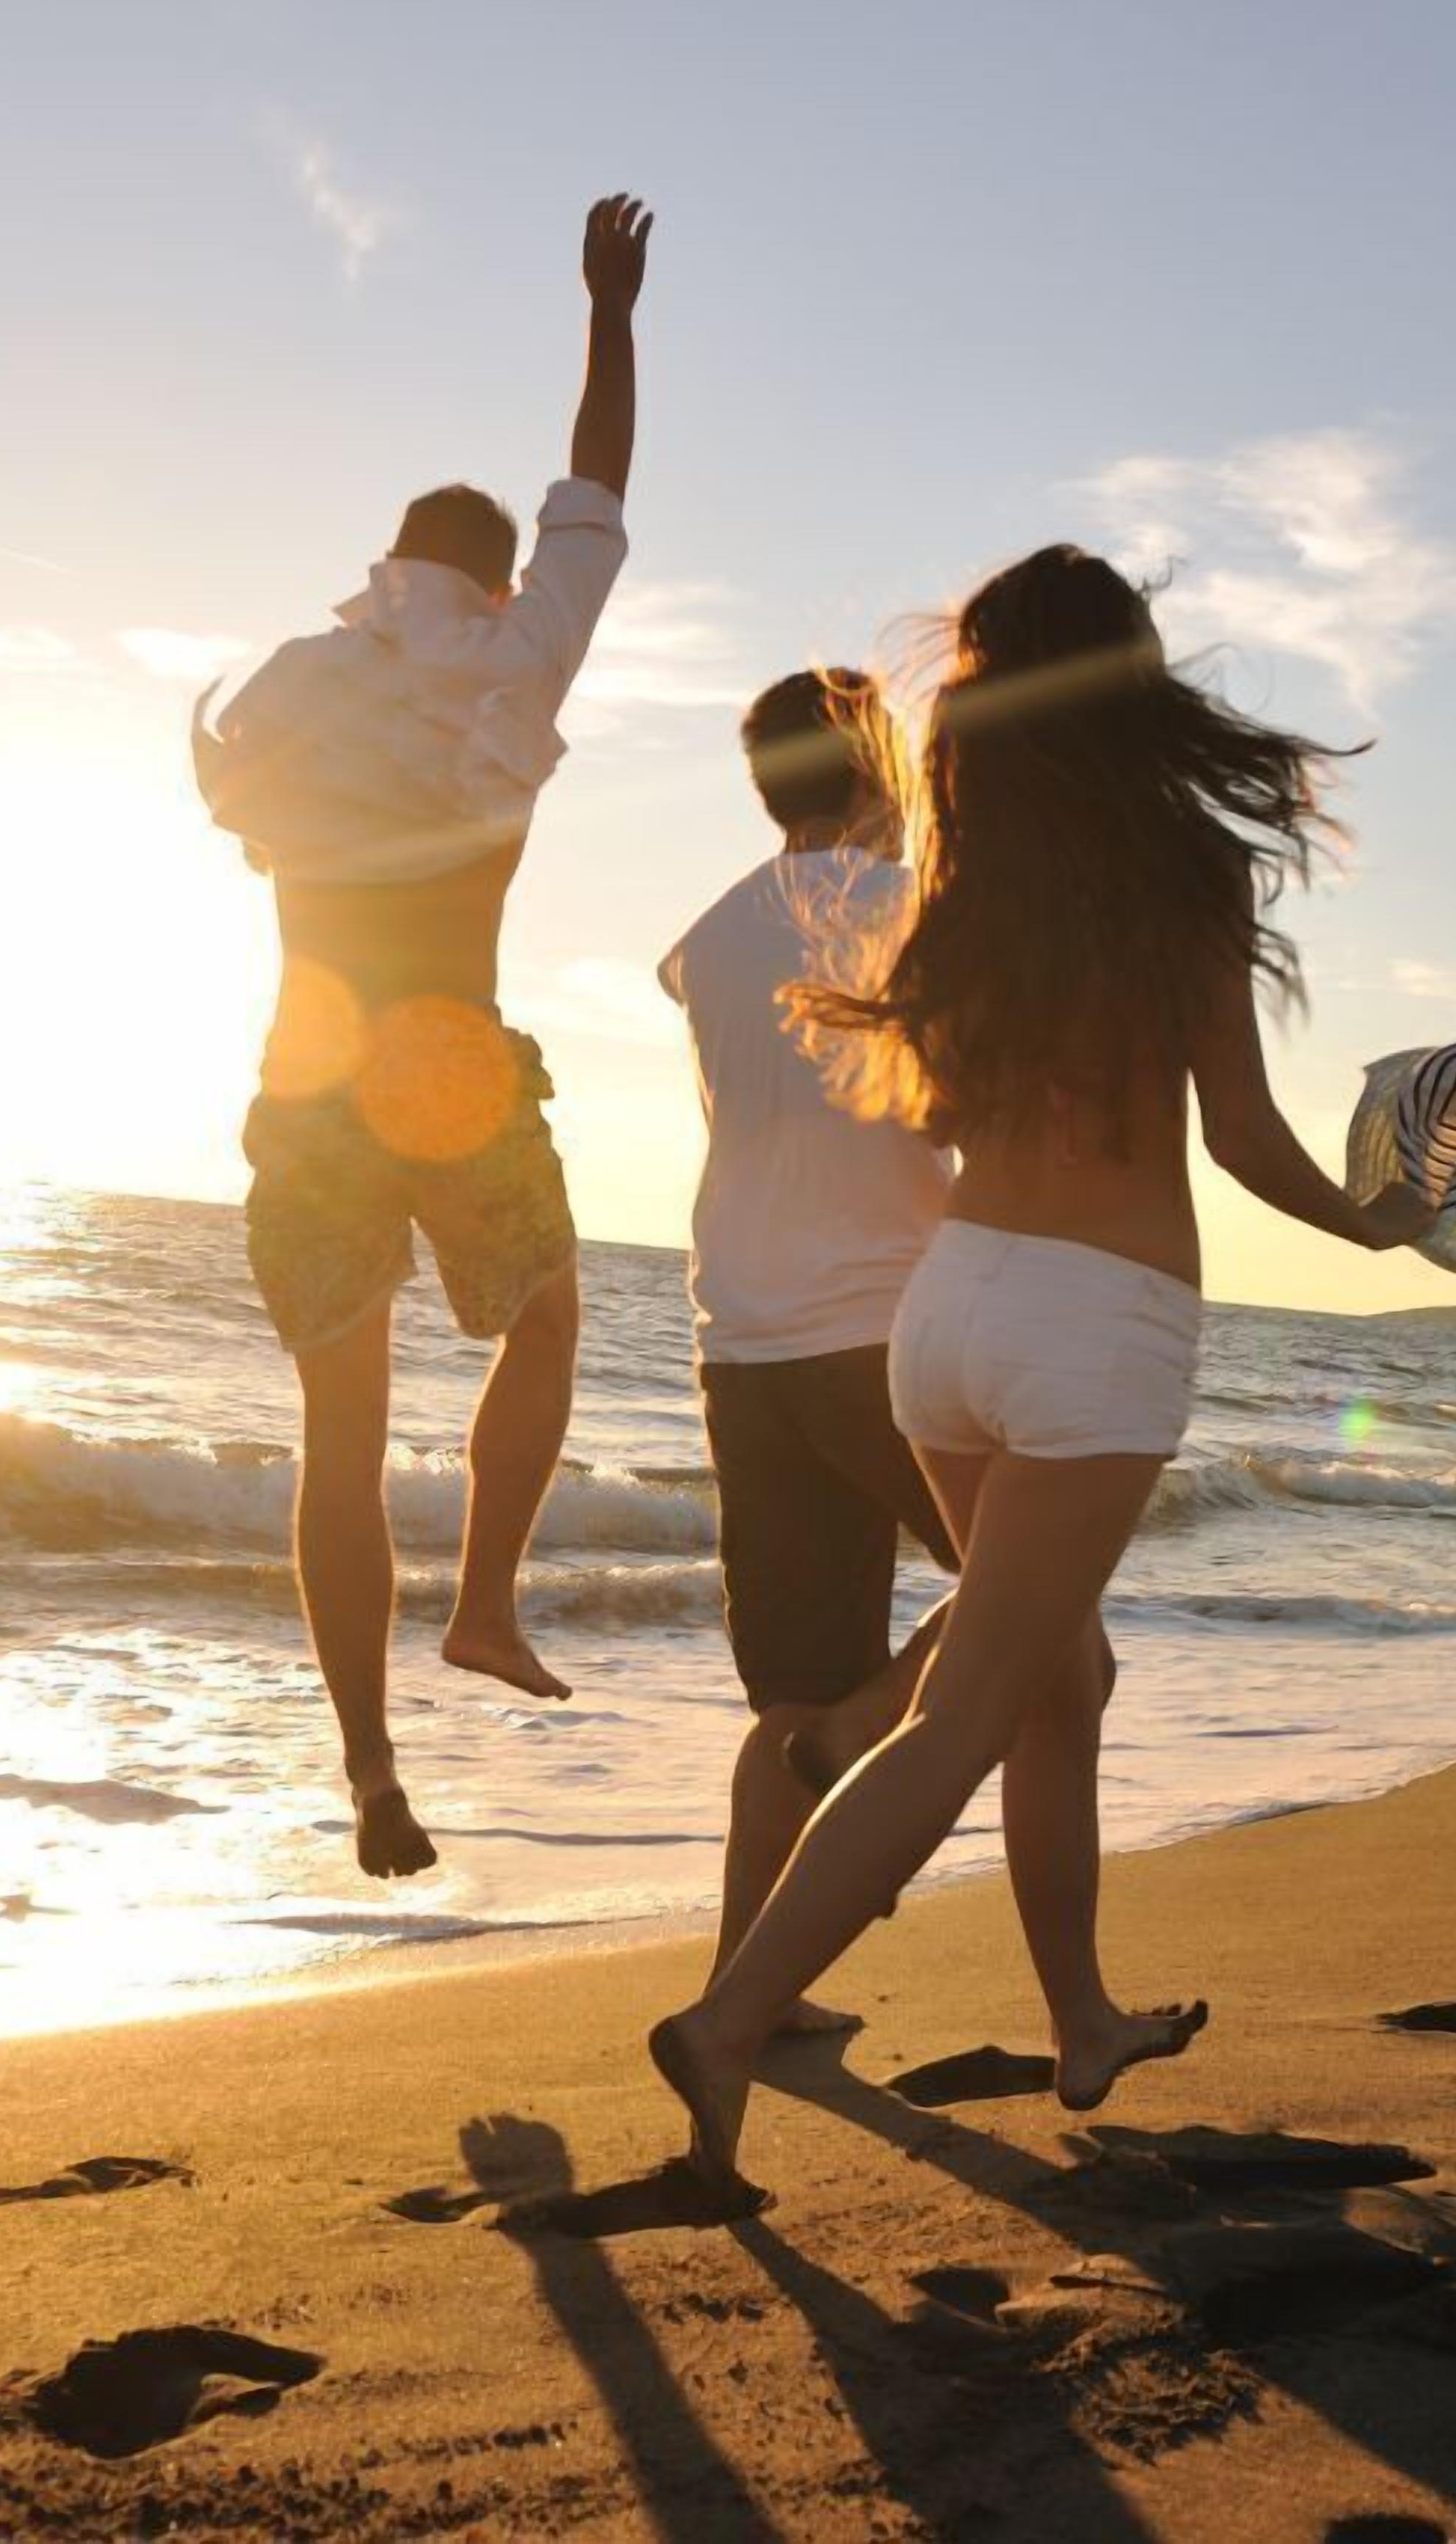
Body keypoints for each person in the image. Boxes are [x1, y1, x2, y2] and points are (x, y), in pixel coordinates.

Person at [648, 546, 1436, 2201]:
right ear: (1133, 679)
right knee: (964, 1706)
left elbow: (932, 1113)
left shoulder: (953, 875)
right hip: (1096, 1323)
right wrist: (1370, 1228)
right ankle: (729, 2014)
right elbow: (1233, 1131)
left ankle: (1079, 2019)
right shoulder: (1181, 871)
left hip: (947, 1314)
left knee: (1056, 1678)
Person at [193, 195, 653, 1879]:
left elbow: (238, 808)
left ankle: (370, 1765)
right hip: (449, 1064)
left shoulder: (300, 680)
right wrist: (607, 312)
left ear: (386, 558)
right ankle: (479, 1603)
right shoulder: (516, 659)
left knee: (337, 1436)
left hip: (307, 1073)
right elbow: (596, 497)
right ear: (494, 573)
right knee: (542, 1317)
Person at [659, 670, 956, 2029]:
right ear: (875, 770)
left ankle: (746, 1987)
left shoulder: (708, 934)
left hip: (744, 1341)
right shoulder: (907, 915)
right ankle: (860, 1737)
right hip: (881, 1329)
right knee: (1036, 1595)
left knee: (787, 1687)